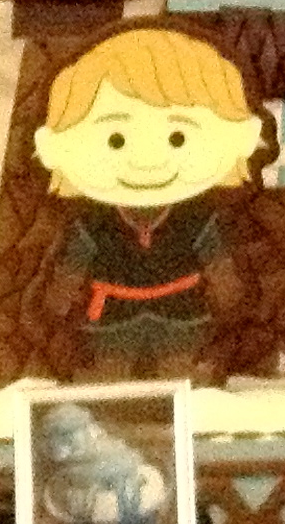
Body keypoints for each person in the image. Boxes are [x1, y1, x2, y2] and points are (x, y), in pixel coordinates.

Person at [30, 27, 267, 378]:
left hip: (182, 314)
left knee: (182, 375)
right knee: (109, 376)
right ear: (53, 146)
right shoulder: (93, 221)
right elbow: (71, 267)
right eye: (116, 139)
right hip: (112, 317)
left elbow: (219, 264)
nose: (146, 161)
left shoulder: (197, 217)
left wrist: (232, 298)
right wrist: (56, 302)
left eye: (178, 136)